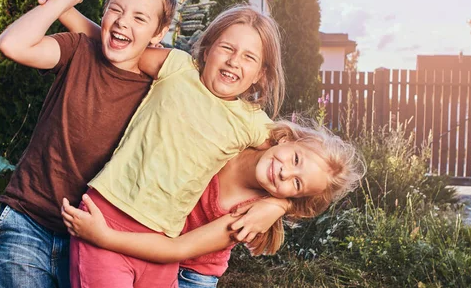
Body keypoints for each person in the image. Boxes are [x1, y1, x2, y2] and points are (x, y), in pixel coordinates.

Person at [45, 0, 288, 288]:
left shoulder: (253, 123)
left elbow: (303, 165)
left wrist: (278, 204)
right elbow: (114, 45)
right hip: (109, 212)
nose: (234, 61)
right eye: (227, 48)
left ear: (260, 74)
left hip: (162, 242)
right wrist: (63, 7)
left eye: (249, 57)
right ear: (207, 49)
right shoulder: (177, 67)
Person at [0, 0, 178, 288]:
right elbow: (11, 44)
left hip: (93, 242)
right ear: (104, 13)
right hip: (27, 221)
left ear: (159, 32)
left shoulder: (160, 87)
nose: (122, 22)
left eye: (140, 18)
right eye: (115, 10)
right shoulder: (78, 50)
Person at [61, 120, 364, 287]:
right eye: (295, 159)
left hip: (190, 272)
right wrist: (280, 206)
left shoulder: (246, 215)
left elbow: (176, 251)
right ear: (286, 139)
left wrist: (104, 237)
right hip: (154, 244)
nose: (285, 172)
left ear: (294, 197)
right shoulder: (242, 134)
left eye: (296, 184)